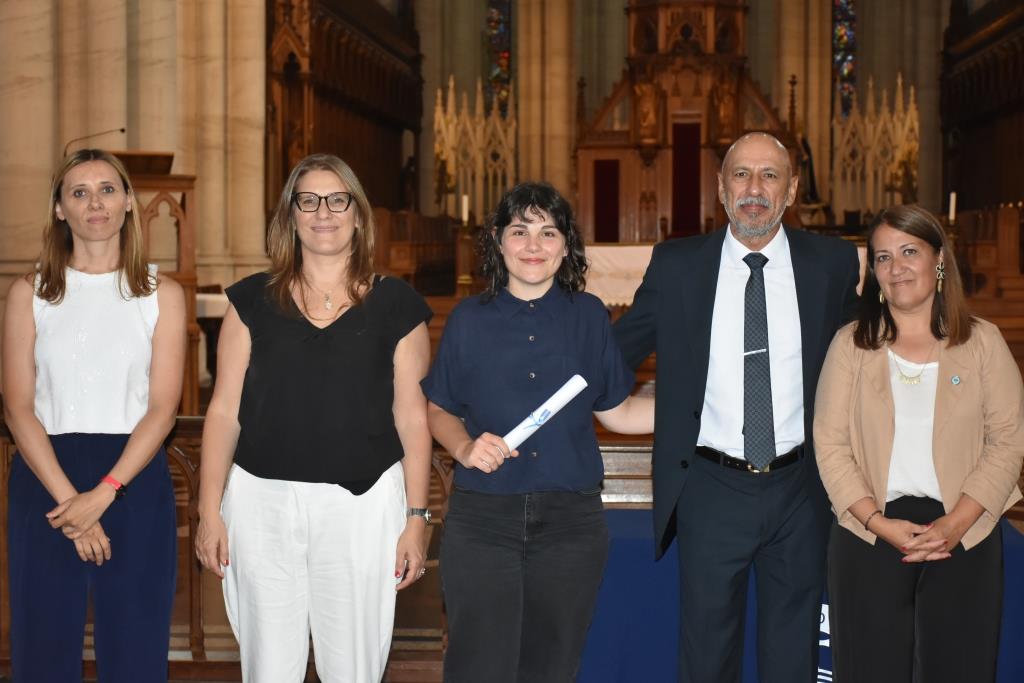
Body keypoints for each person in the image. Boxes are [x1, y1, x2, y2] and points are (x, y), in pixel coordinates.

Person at [614, 132, 861, 682]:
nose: (755, 188)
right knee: (706, 653)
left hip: (802, 488)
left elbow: (871, 355)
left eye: (770, 175)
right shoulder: (678, 266)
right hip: (710, 488)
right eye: (741, 175)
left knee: (792, 651)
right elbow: (615, 352)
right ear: (721, 189)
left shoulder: (832, 264)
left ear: (792, 189)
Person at [195, 153, 432, 683]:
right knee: (268, 667)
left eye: (337, 199)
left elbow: (412, 419)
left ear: (358, 214)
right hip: (261, 504)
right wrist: (210, 511)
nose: (323, 212)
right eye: (308, 200)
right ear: (291, 216)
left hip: (362, 506)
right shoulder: (251, 301)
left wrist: (417, 518)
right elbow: (225, 411)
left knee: (353, 668)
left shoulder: (397, 304)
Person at [423, 182, 653, 683]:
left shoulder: (589, 316)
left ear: (565, 245)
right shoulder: (468, 319)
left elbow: (617, 413)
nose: (533, 245)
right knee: (477, 668)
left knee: (551, 668)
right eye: (520, 231)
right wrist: (463, 446)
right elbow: (437, 408)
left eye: (548, 232)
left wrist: (700, 411)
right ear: (498, 241)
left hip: (569, 523)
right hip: (483, 519)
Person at [814, 204, 1024, 682]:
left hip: (964, 534)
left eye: (909, 251)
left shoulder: (983, 343)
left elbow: (1009, 441)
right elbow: (830, 444)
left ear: (939, 261)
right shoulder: (850, 345)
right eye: (883, 257)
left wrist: (956, 523)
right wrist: (875, 521)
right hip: (869, 535)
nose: (896, 267)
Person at [2, 149, 186, 682]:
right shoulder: (28, 294)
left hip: (131, 474)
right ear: (59, 209)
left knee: (135, 643)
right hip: (46, 475)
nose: (95, 203)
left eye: (107, 190)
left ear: (129, 202)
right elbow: (17, 408)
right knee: (42, 645)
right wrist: (70, 503)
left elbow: (163, 407)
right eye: (78, 193)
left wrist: (104, 493)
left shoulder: (160, 295)